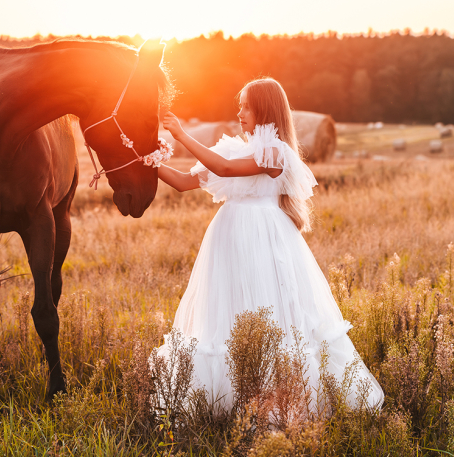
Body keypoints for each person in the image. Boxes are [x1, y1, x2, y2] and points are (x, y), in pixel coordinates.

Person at [154, 77, 384, 414]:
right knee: (228, 311)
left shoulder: (275, 152)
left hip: (263, 240)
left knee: (269, 310)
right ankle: (229, 399)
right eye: (240, 105)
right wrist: (143, 161)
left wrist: (181, 134)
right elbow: (181, 182)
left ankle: (277, 404)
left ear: (265, 109)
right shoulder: (231, 148)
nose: (240, 112)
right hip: (228, 241)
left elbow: (226, 169)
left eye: (247, 105)